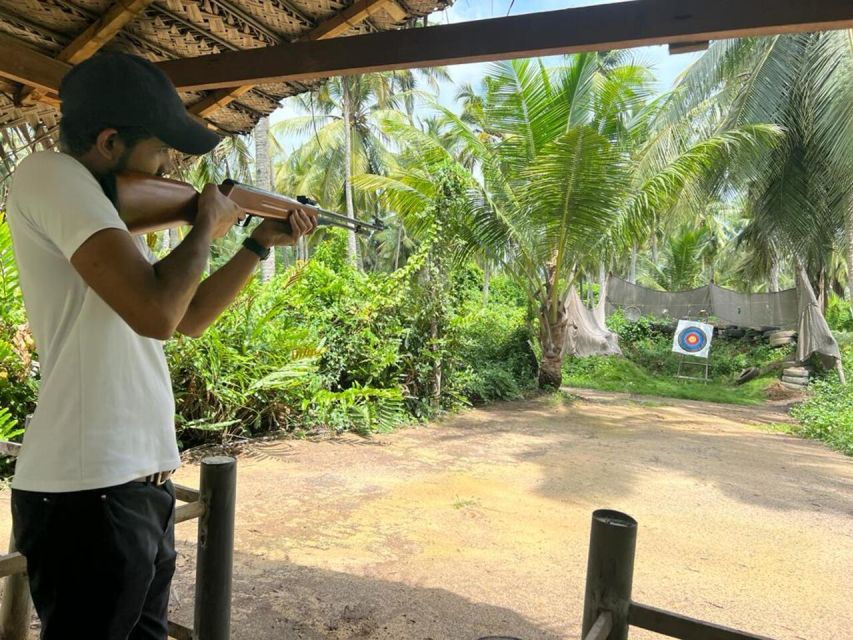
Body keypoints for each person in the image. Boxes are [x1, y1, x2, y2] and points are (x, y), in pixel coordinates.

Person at [4, 52, 316, 638]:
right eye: (161, 153)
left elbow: (188, 314)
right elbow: (155, 314)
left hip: (139, 486)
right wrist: (204, 225)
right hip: (86, 488)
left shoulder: (107, 225)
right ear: (108, 141)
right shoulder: (49, 174)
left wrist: (256, 244)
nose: (170, 168)